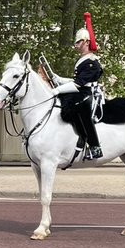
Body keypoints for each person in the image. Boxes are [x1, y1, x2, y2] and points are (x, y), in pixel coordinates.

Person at [52, 27, 103, 160]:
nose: (76, 44)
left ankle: (94, 146)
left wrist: (57, 90)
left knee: (82, 109)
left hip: (87, 94)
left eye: (78, 42)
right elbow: (77, 81)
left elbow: (78, 84)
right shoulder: (83, 59)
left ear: (87, 42)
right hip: (82, 91)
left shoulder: (91, 62)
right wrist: (60, 80)